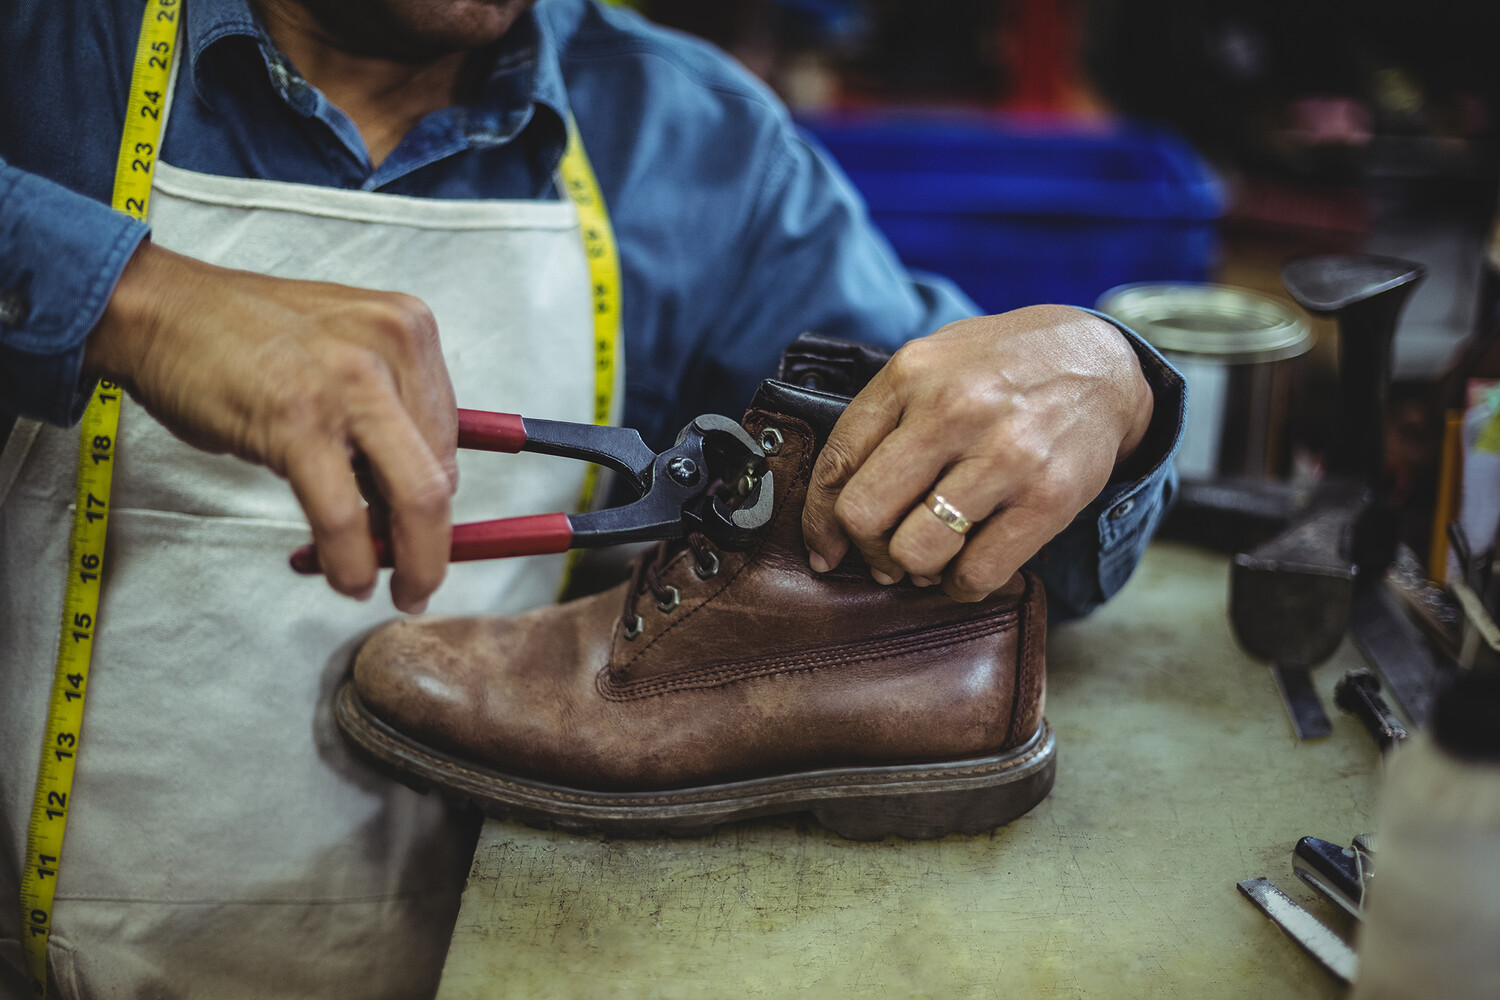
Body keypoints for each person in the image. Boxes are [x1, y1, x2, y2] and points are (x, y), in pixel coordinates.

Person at [0, 0, 1183, 996]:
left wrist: (1107, 385)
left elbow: (997, 546)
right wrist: (124, 299)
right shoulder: (47, 49)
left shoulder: (695, 142)